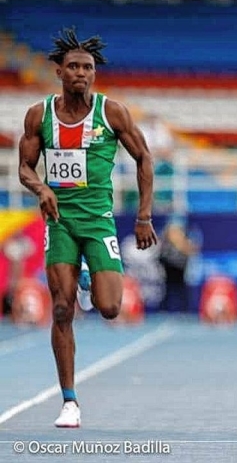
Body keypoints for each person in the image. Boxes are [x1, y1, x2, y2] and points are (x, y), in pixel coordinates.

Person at [17, 27, 158, 428]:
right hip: (59, 221)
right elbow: (25, 166)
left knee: (111, 308)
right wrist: (41, 186)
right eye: (74, 67)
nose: (81, 73)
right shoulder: (38, 115)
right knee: (61, 309)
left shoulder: (112, 113)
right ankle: (69, 401)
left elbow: (144, 158)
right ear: (59, 72)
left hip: (98, 222)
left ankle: (86, 278)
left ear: (94, 74)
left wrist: (144, 216)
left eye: (88, 68)